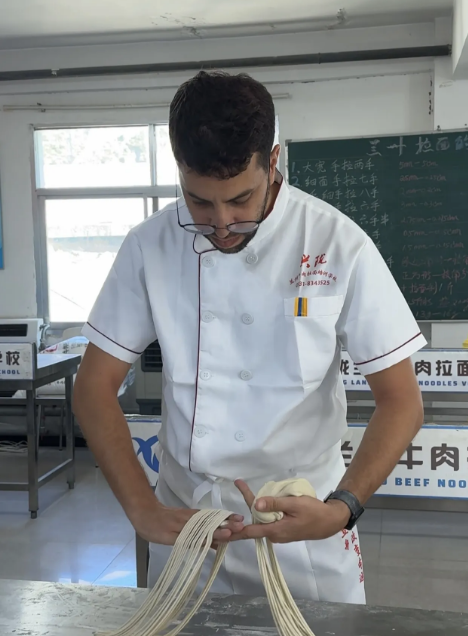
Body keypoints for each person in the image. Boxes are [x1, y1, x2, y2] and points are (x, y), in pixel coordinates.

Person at [74, 70, 425, 604]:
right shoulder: (150, 246)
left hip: (303, 525)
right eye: (199, 202)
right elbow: (93, 387)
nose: (221, 224)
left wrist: (343, 507)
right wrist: (141, 508)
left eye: (240, 200)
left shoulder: (335, 242)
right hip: (191, 523)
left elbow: (401, 401)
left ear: (273, 161)